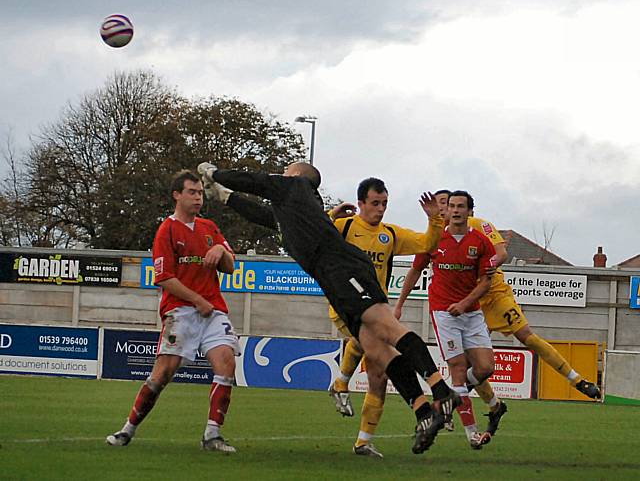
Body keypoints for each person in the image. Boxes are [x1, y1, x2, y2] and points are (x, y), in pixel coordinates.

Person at [199, 161, 460, 455]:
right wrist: (223, 195)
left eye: (286, 171)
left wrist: (215, 173)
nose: (282, 174)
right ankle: (424, 412)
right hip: (332, 277)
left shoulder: (295, 186)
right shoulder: (292, 209)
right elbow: (261, 214)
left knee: (388, 329)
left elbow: (255, 181)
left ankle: (441, 390)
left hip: (343, 268)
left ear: (298, 176)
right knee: (377, 350)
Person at [395, 189, 601, 436]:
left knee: (526, 336)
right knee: (474, 367)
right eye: (443, 205)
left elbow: (501, 253)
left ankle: (576, 379)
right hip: (465, 304)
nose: (445, 210)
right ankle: (490, 406)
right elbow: (419, 266)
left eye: (448, 204)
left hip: (493, 295)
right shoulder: (437, 236)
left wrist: (481, 269)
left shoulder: (479, 227)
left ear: (466, 209)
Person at [106, 170, 240, 453]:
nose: (198, 197)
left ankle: (212, 435)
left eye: (201, 192)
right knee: (163, 374)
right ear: (177, 195)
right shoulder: (166, 230)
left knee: (226, 363)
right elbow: (165, 278)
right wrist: (197, 300)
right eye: (192, 192)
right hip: (180, 311)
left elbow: (230, 266)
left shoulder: (209, 227)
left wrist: (220, 250)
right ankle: (127, 429)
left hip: (213, 310)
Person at [413, 190, 497, 449]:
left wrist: (464, 303)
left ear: (470, 211)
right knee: (459, 369)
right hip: (444, 312)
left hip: (470, 313)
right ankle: (471, 433)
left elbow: (486, 281)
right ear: (446, 210)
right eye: (452, 206)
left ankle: (450, 396)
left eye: (462, 206)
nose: (456, 210)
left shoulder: (481, 243)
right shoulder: (435, 239)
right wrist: (399, 304)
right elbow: (415, 270)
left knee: (485, 368)